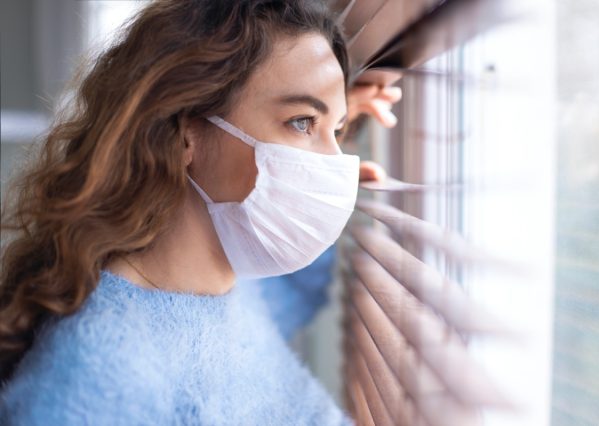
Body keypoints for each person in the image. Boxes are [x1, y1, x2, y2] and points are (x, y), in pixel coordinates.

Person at [0, 0, 400, 424]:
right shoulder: (99, 374)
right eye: (302, 123)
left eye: (336, 131)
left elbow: (293, 292)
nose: (332, 163)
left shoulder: (226, 293)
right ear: (185, 132)